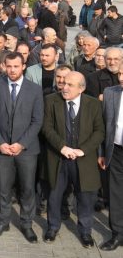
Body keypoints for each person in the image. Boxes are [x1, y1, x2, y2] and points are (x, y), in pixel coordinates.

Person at [41, 71, 104, 247]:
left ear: (81, 88)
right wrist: (62, 146)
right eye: (63, 83)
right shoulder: (51, 100)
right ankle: (52, 227)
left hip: (83, 161)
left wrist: (83, 151)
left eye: (70, 85)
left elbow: (99, 131)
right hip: (58, 158)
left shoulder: (93, 104)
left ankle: (85, 232)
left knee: (85, 198)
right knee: (54, 195)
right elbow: (47, 127)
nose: (64, 87)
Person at [0, 52, 44, 243]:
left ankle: (27, 224)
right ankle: (2, 221)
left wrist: (21, 144)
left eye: (16, 66)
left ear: (24, 66)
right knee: (3, 188)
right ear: (4, 66)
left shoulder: (35, 90)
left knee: (27, 189)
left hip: (26, 150)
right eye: (8, 66)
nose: (12, 70)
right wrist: (1, 143)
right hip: (2, 149)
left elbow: (37, 121)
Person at [100, 65, 123, 251]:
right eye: (120, 73)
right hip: (115, 151)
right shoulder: (110, 93)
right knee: (115, 194)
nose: (121, 77)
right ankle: (117, 233)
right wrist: (101, 153)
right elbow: (103, 125)